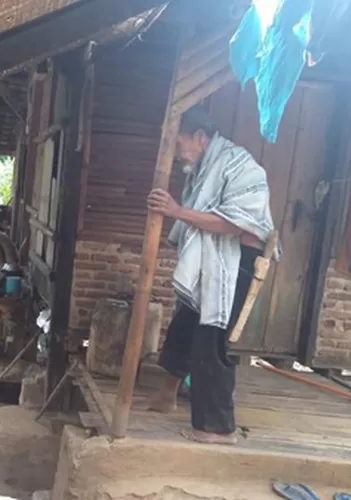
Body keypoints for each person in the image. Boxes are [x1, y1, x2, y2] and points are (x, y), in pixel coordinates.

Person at [144, 106, 280, 445]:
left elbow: (235, 224)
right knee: (183, 326)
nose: (177, 153)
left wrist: (177, 211)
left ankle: (218, 429)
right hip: (215, 260)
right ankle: (167, 395)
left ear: (200, 137)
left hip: (238, 263)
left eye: (179, 144)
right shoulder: (202, 169)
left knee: (211, 339)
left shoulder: (239, 164)